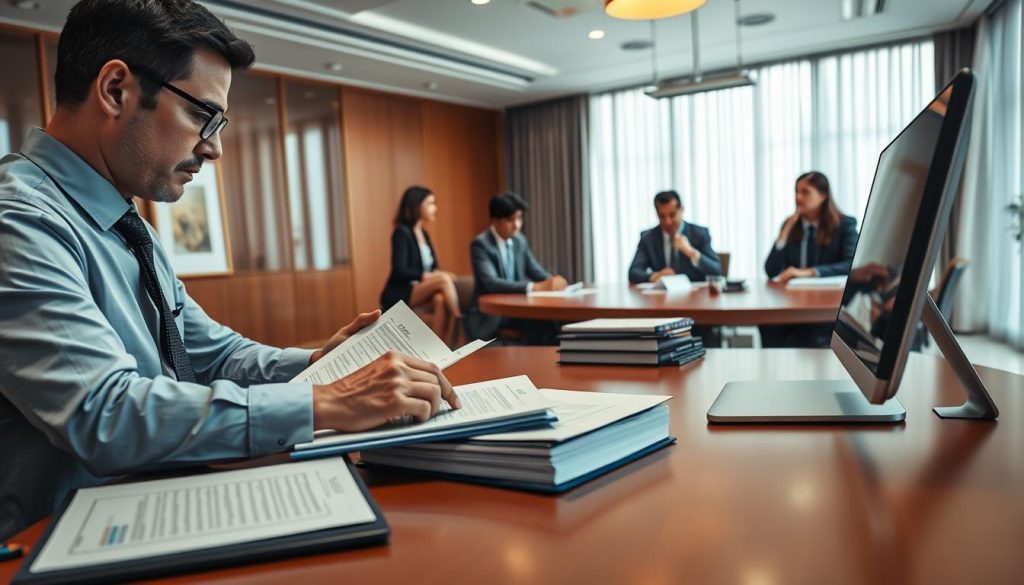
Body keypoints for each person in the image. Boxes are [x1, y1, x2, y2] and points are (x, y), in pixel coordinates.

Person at [0, 0, 457, 541]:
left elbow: (209, 354)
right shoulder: (19, 221)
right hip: (58, 538)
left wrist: (319, 366)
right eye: (202, 115)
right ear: (117, 89)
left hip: (158, 503)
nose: (214, 148)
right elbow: (105, 412)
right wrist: (328, 400)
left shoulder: (126, 224)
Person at [761, 171, 859, 347]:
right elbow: (770, 271)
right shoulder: (791, 225)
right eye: (796, 191)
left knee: (811, 333)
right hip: (793, 303)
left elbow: (850, 264)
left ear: (823, 195)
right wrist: (783, 236)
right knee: (768, 326)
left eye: (805, 192)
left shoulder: (844, 225)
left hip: (826, 302)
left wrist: (808, 273)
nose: (798, 197)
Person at [466, 192, 566, 343]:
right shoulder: (481, 244)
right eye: (510, 219)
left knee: (550, 325)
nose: (516, 225)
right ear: (494, 221)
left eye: (519, 218)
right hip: (491, 315)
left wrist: (552, 280)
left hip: (516, 310)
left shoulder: (520, 240)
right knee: (539, 330)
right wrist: (534, 287)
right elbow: (491, 283)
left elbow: (534, 269)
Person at [380, 186, 460, 341]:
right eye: (430, 203)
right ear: (417, 206)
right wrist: (434, 276)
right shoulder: (402, 232)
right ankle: (460, 321)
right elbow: (399, 270)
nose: (435, 208)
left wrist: (437, 274)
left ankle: (437, 349)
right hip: (400, 291)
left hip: (419, 289)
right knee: (444, 280)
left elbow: (433, 267)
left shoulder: (424, 234)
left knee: (440, 300)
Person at [627, 190, 723, 284]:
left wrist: (691, 252)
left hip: (695, 296)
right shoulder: (648, 238)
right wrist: (654, 276)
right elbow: (633, 272)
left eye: (672, 215)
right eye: (662, 216)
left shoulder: (700, 234)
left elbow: (717, 271)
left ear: (681, 210)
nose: (667, 222)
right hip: (660, 297)